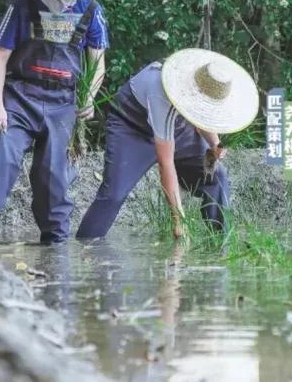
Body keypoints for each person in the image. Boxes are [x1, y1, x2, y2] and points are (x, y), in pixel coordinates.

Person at [0, 0, 115, 247]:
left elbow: (97, 63)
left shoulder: (91, 10)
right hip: (20, 97)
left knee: (53, 175)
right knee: (4, 156)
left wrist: (88, 98)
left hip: (63, 103)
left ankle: (55, 244)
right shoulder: (23, 5)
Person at [76, 48, 258, 240]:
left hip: (176, 125)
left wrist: (215, 143)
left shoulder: (204, 84)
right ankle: (86, 247)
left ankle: (221, 243)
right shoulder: (164, 90)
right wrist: (179, 220)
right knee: (113, 195)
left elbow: (201, 117)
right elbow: (166, 163)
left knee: (216, 175)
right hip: (131, 126)